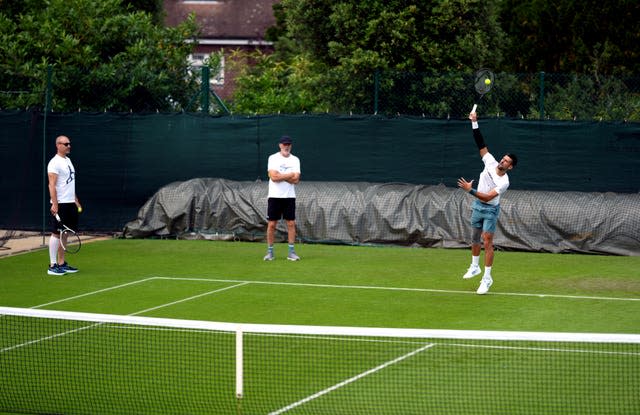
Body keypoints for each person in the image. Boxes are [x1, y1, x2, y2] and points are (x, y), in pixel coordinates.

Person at [457, 112, 517, 294]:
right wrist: (474, 122)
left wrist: (470, 190)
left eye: (506, 161)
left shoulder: (504, 182)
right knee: (474, 238)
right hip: (477, 207)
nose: (503, 160)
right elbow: (480, 143)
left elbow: (487, 197)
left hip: (490, 210)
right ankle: (474, 266)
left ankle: (487, 278)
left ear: (510, 167)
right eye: (503, 158)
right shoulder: (490, 161)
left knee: (487, 241)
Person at [47, 135, 82, 276]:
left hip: (69, 203)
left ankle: (61, 263)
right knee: (56, 233)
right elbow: (52, 185)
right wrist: (54, 204)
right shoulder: (54, 163)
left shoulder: (68, 160)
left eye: (69, 143)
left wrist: (75, 200)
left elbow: (69, 182)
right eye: (66, 144)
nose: (69, 146)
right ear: (58, 145)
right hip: (60, 203)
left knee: (65, 232)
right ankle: (52, 265)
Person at [264, 135, 301, 261]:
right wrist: (290, 174)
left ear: (291, 145)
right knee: (272, 224)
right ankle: (270, 252)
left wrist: (282, 176)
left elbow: (296, 180)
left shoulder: (295, 160)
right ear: (280, 145)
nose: (286, 146)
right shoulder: (273, 158)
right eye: (284, 144)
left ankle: (291, 252)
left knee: (291, 223)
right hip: (274, 196)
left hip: (289, 197)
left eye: (288, 144)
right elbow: (273, 178)